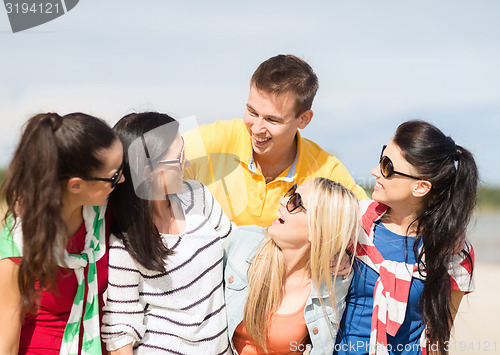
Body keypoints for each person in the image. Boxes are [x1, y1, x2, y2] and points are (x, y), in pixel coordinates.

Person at [335, 120, 477, 355]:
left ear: (420, 187)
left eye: (387, 166)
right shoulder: (352, 222)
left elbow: (439, 338)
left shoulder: (452, 251)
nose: (374, 171)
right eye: (382, 158)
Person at [101, 112, 233, 354]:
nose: (188, 164)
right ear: (148, 171)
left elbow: (237, 250)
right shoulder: (125, 244)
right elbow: (121, 329)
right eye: (179, 158)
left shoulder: (198, 196)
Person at [183, 54, 367, 226]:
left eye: (272, 120)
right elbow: (155, 158)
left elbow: (369, 220)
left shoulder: (326, 169)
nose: (256, 129)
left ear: (304, 119)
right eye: (252, 112)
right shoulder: (213, 140)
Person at [0, 112, 124, 354]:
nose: (122, 180)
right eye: (114, 176)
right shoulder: (17, 241)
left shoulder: (105, 215)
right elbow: (6, 342)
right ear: (75, 185)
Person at [224, 177, 360, 354]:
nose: (282, 200)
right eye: (291, 193)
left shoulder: (334, 281)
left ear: (317, 229)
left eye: (296, 201)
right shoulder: (242, 243)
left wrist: (344, 252)